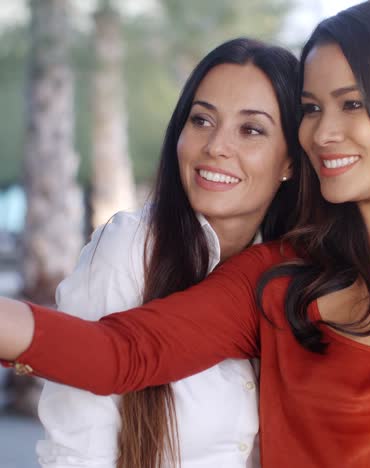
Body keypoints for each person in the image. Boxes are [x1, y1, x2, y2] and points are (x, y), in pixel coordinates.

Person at [1, 0, 370, 466]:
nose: (323, 132)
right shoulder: (277, 281)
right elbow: (119, 353)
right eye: (311, 109)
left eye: (352, 104)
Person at [33, 38, 311, 468]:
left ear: (291, 160)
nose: (216, 145)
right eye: (201, 120)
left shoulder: (296, 274)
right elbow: (75, 451)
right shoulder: (130, 248)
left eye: (251, 129)